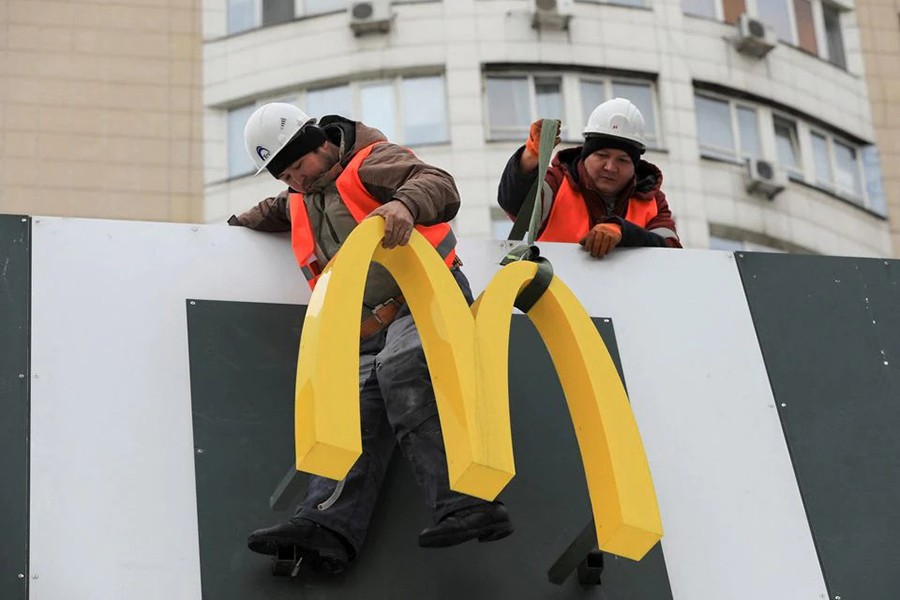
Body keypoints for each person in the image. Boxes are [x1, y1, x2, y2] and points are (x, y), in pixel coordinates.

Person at [228, 102, 513, 575]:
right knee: (349, 408)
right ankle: (328, 526)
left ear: (321, 145)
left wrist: (403, 203)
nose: (295, 180)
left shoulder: (372, 162)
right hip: (365, 328)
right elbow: (272, 211)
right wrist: (234, 226)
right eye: (285, 176)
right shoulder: (302, 195)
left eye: (299, 166)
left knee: (401, 369)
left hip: (424, 299)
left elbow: (437, 182)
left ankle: (468, 501)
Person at [497, 97, 682, 256]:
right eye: (602, 155)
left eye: (623, 160)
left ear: (635, 165)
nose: (610, 167)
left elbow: (670, 252)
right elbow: (514, 204)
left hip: (628, 296)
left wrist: (622, 231)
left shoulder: (652, 199)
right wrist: (530, 157)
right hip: (552, 294)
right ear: (585, 156)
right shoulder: (557, 183)